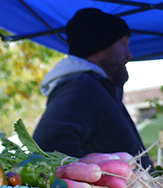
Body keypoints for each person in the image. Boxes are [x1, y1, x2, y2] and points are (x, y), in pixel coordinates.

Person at [32, 8, 152, 169]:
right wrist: (94, 184)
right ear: (100, 44)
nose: (129, 54)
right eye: (123, 43)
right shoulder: (80, 86)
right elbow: (48, 142)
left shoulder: (95, 87)